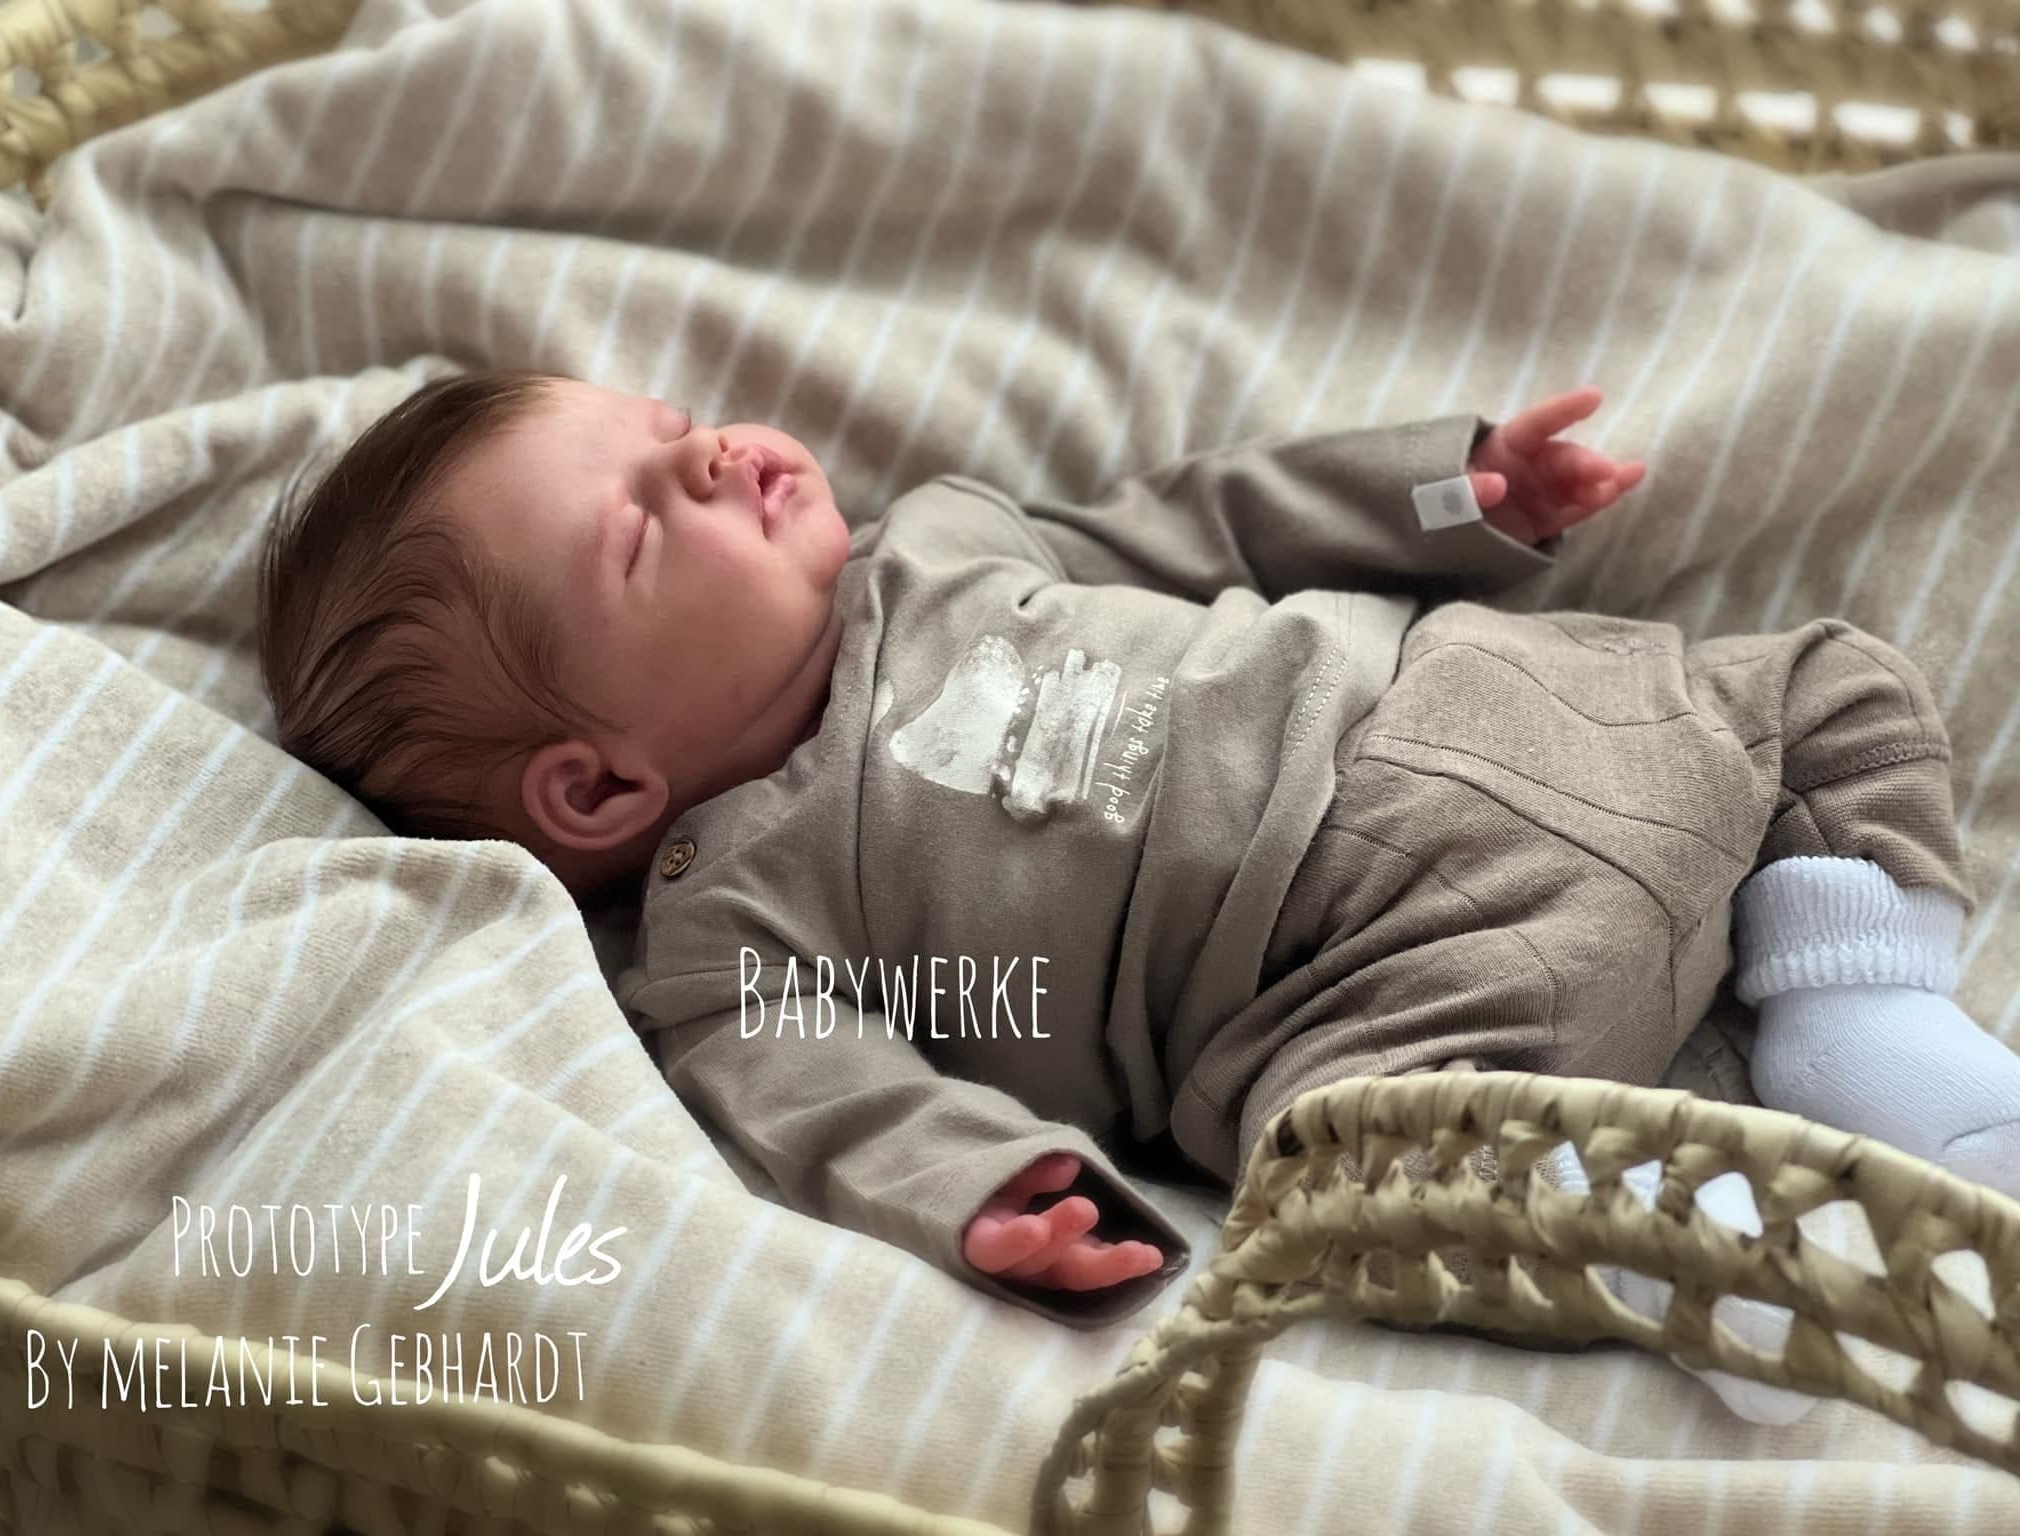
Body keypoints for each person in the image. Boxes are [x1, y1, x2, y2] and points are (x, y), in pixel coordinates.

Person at [258, 372, 2019, 1344]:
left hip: (1518, 704)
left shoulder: (942, 538)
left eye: (665, 427)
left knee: (1836, 686)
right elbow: (842, 1111)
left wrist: (1451, 495)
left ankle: (1861, 1022)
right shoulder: (733, 935)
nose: (710, 452)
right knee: (1354, 1170)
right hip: (1367, 966)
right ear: (591, 790)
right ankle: (1679, 1246)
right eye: (645, 526)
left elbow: (1208, 521)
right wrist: (995, 1193)